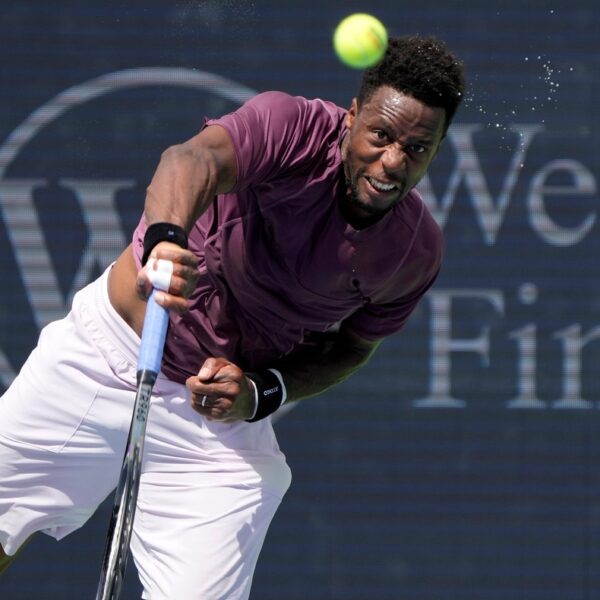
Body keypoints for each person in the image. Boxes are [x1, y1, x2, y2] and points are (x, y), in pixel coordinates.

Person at [0, 35, 465, 598]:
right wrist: (168, 241)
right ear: (351, 118)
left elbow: (350, 348)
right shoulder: (289, 126)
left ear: (436, 151)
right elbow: (191, 159)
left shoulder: (414, 253)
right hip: (105, 358)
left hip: (214, 434)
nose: (392, 162)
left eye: (417, 149)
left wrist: (259, 393)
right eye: (381, 136)